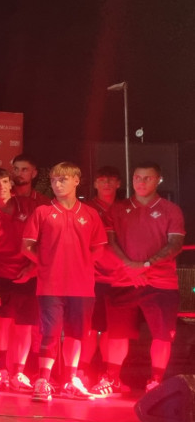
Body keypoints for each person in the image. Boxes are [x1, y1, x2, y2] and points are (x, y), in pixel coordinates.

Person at [22, 162, 106, 402]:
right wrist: (46, 262)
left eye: (63, 179)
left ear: (76, 181)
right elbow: (27, 246)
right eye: (54, 180)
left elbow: (99, 247)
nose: (57, 184)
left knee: (76, 334)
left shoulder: (90, 214)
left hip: (82, 286)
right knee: (50, 332)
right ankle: (43, 381)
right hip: (50, 285)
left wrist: (82, 263)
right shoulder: (42, 212)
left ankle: (70, 380)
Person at [105, 162, 185, 393]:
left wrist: (146, 265)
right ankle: (112, 379)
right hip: (123, 280)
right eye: (137, 178)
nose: (141, 182)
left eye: (147, 178)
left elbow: (175, 244)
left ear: (158, 180)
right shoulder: (118, 208)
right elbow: (109, 242)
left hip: (161, 282)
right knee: (117, 334)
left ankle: (156, 382)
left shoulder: (171, 210)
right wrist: (130, 267)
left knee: (162, 336)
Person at [0, 168, 38, 392]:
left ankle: (18, 373)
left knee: (24, 327)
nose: (1, 187)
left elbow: (42, 241)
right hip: (0, 277)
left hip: (27, 275)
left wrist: (32, 268)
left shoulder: (28, 207)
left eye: (5, 182)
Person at [84, 166, 126, 395]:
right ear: (95, 184)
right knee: (89, 329)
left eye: (111, 180)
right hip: (91, 278)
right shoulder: (87, 209)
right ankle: (81, 374)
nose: (106, 184)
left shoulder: (126, 209)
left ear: (118, 183)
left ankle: (112, 377)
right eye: (102, 180)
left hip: (122, 279)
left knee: (115, 331)